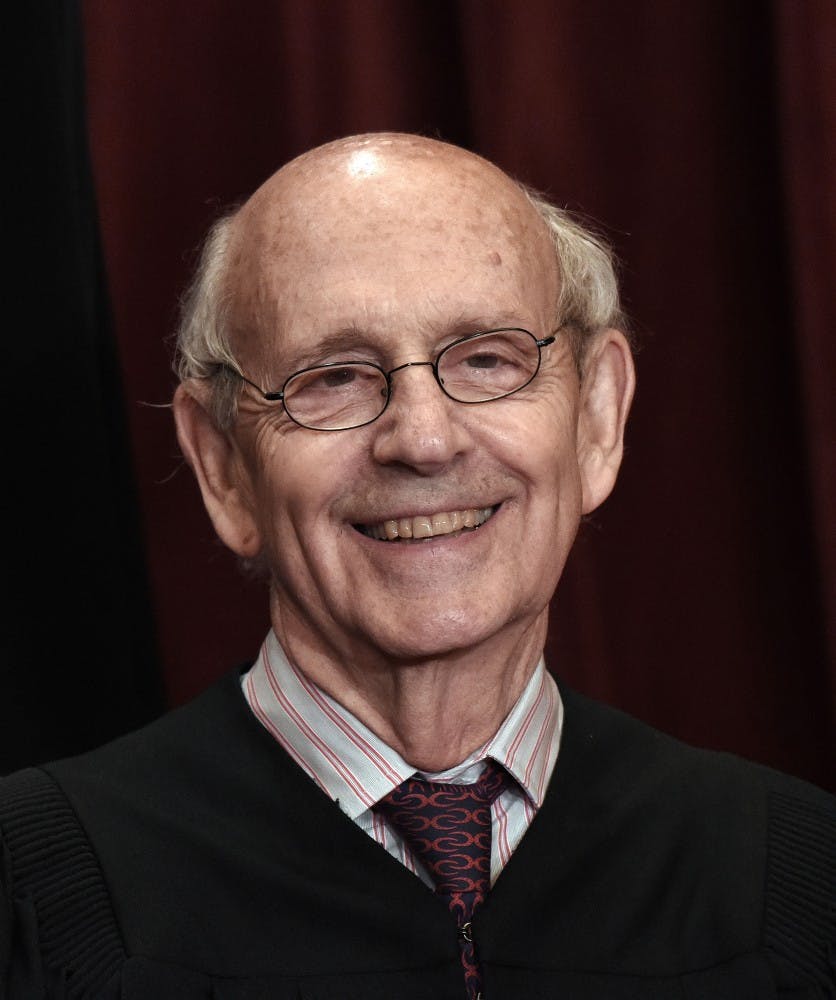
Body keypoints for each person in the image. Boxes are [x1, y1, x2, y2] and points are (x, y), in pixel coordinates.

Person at [1, 133, 833, 1000]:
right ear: (222, 465)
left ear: (595, 418)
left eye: (487, 359)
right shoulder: (37, 901)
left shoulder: (795, 886)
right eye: (332, 378)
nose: (424, 441)